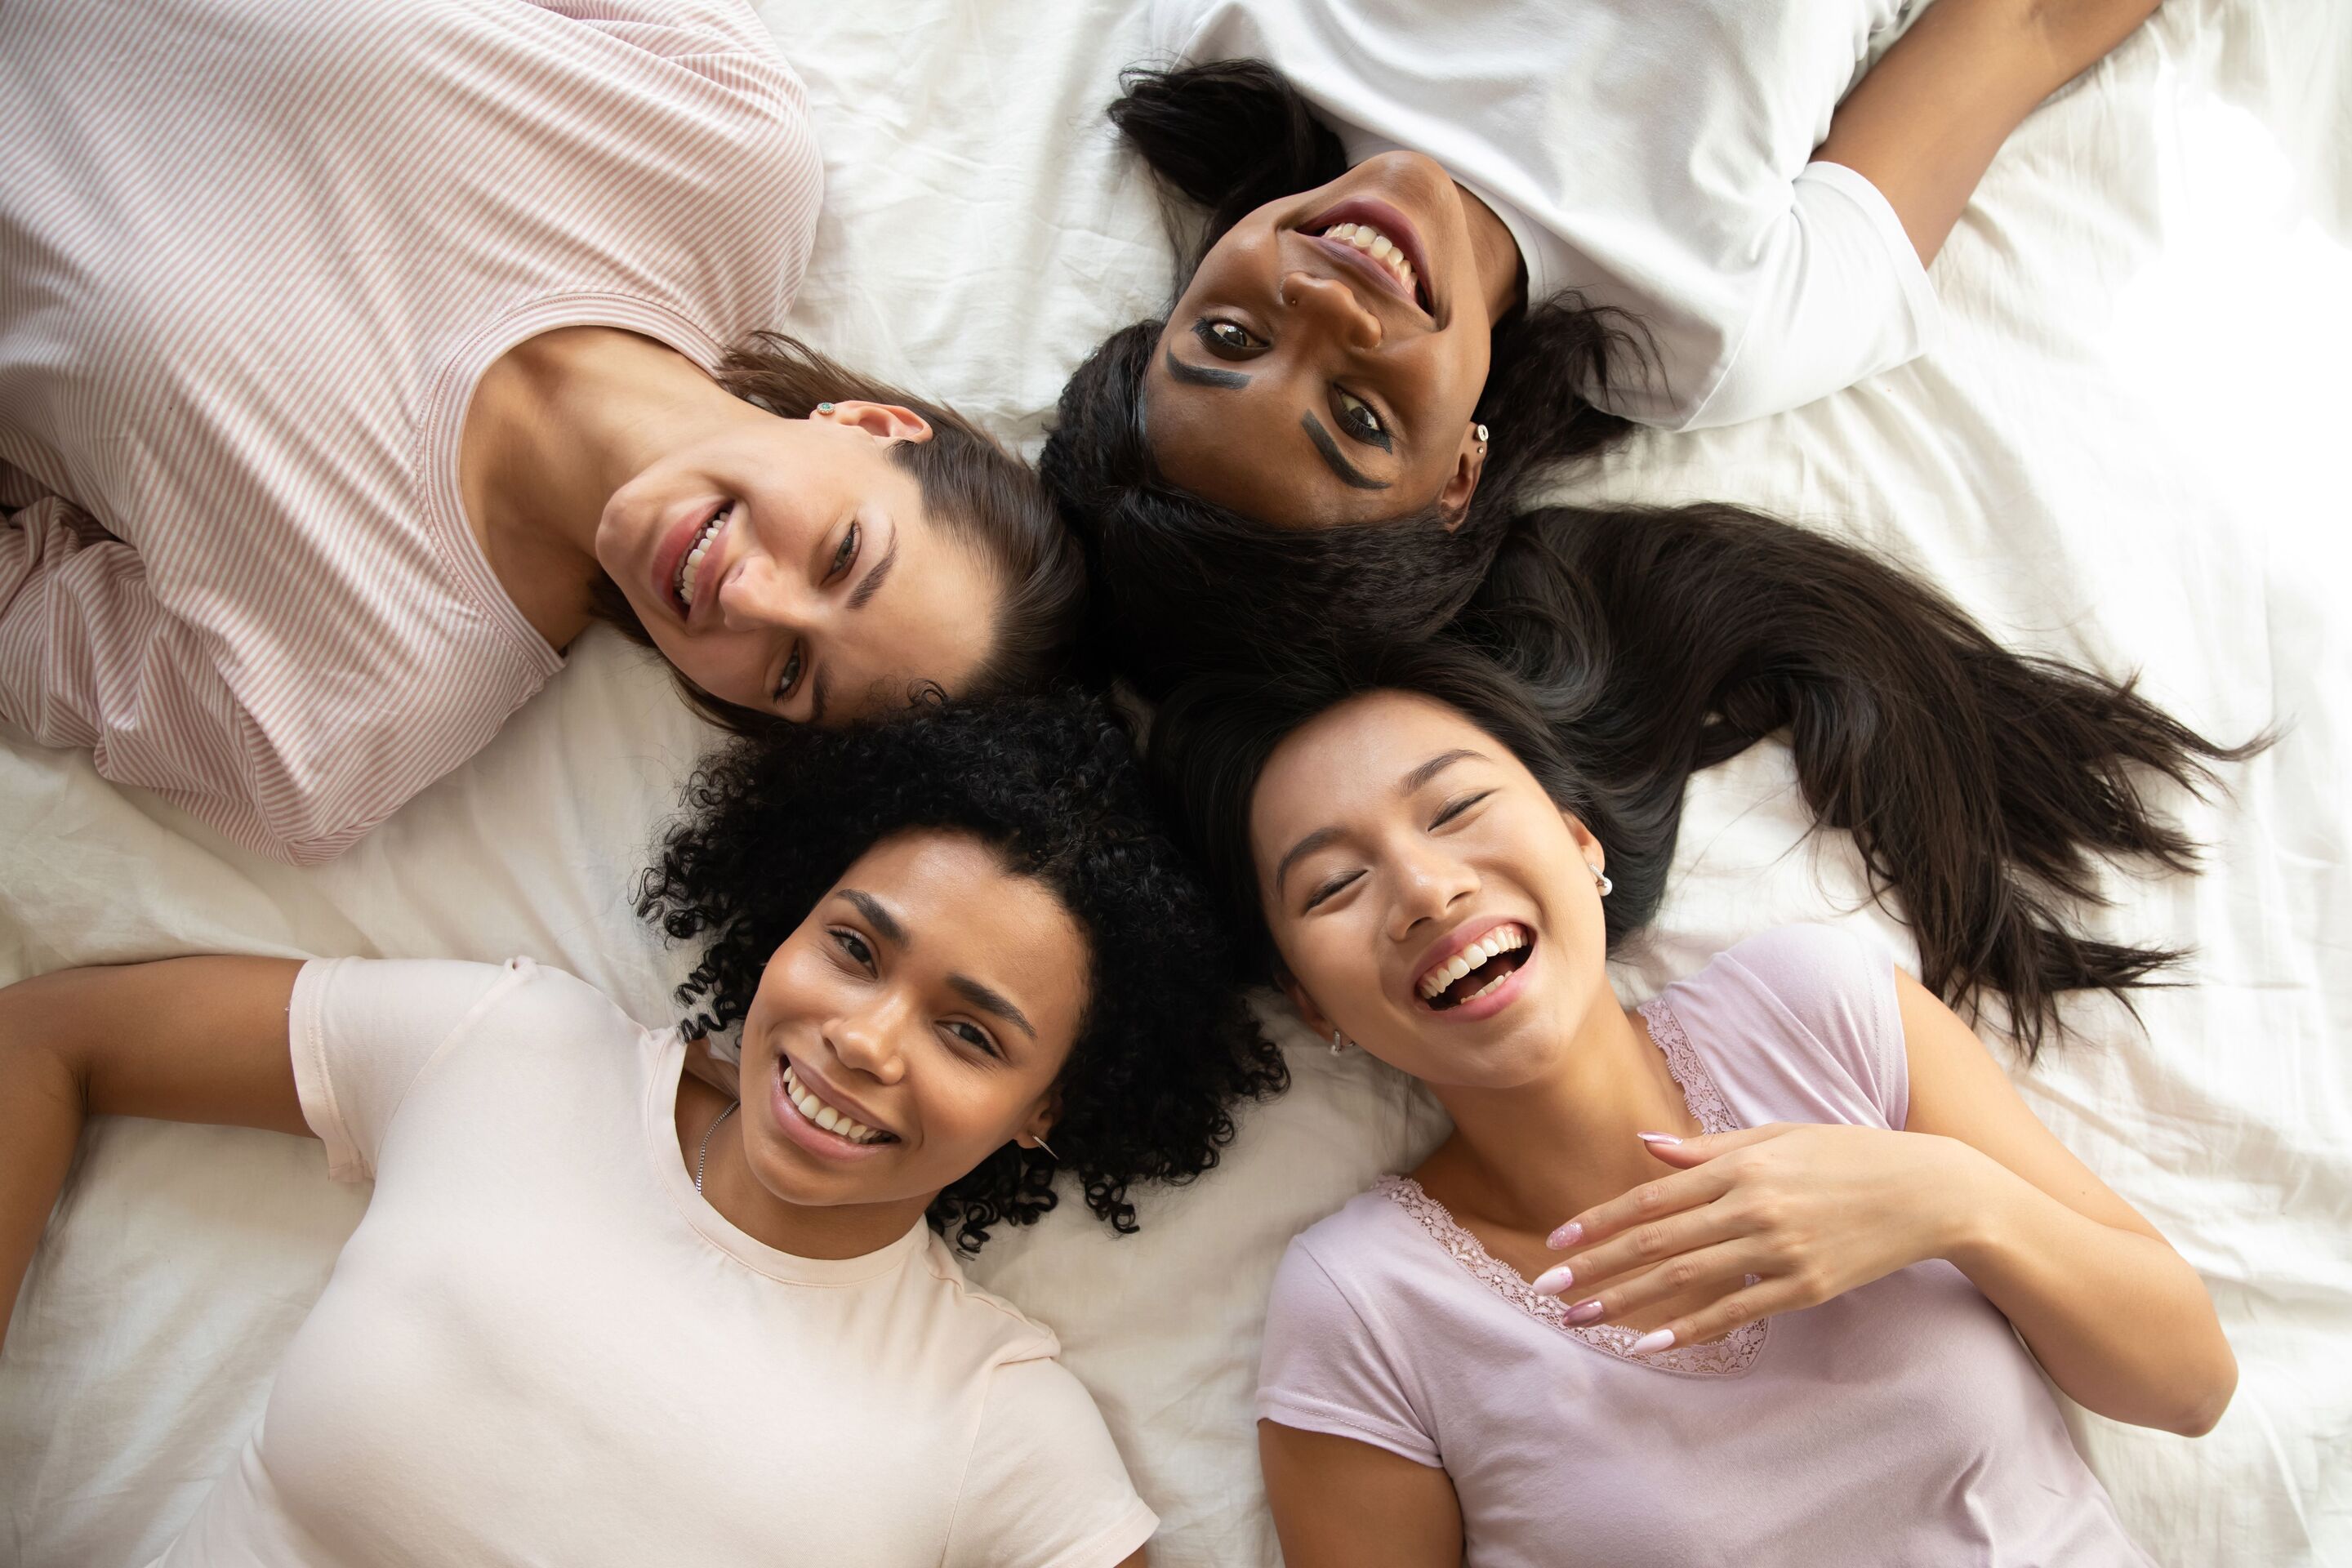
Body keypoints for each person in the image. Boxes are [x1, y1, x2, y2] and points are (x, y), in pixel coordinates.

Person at [0, 693, 1284, 1566]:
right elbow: (46, 1038)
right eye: (852, 948)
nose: (863, 1037)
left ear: (1047, 1113)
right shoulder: (508, 1056)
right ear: (787, 913)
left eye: (972, 1034)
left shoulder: (993, 1422)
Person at [1149, 645, 2236, 1567]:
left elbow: (2189, 1388)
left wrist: (1952, 1202)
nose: (1428, 892)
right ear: (1312, 1003)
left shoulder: (1817, 1010)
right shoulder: (1364, 1307)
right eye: (1335, 884)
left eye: (1457, 808)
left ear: (1581, 843)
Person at [0, 0, 1081, 865]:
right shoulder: (721, 146)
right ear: (872, 424)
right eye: (844, 554)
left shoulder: (342, 719)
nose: (748, 600)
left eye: (793, 673)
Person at [1040, 0, 2162, 689]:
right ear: (1461, 477)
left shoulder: (1228, 28)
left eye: (1229, 334)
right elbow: (2025, 26)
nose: (1329, 309)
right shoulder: (1707, 328)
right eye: (1360, 418)